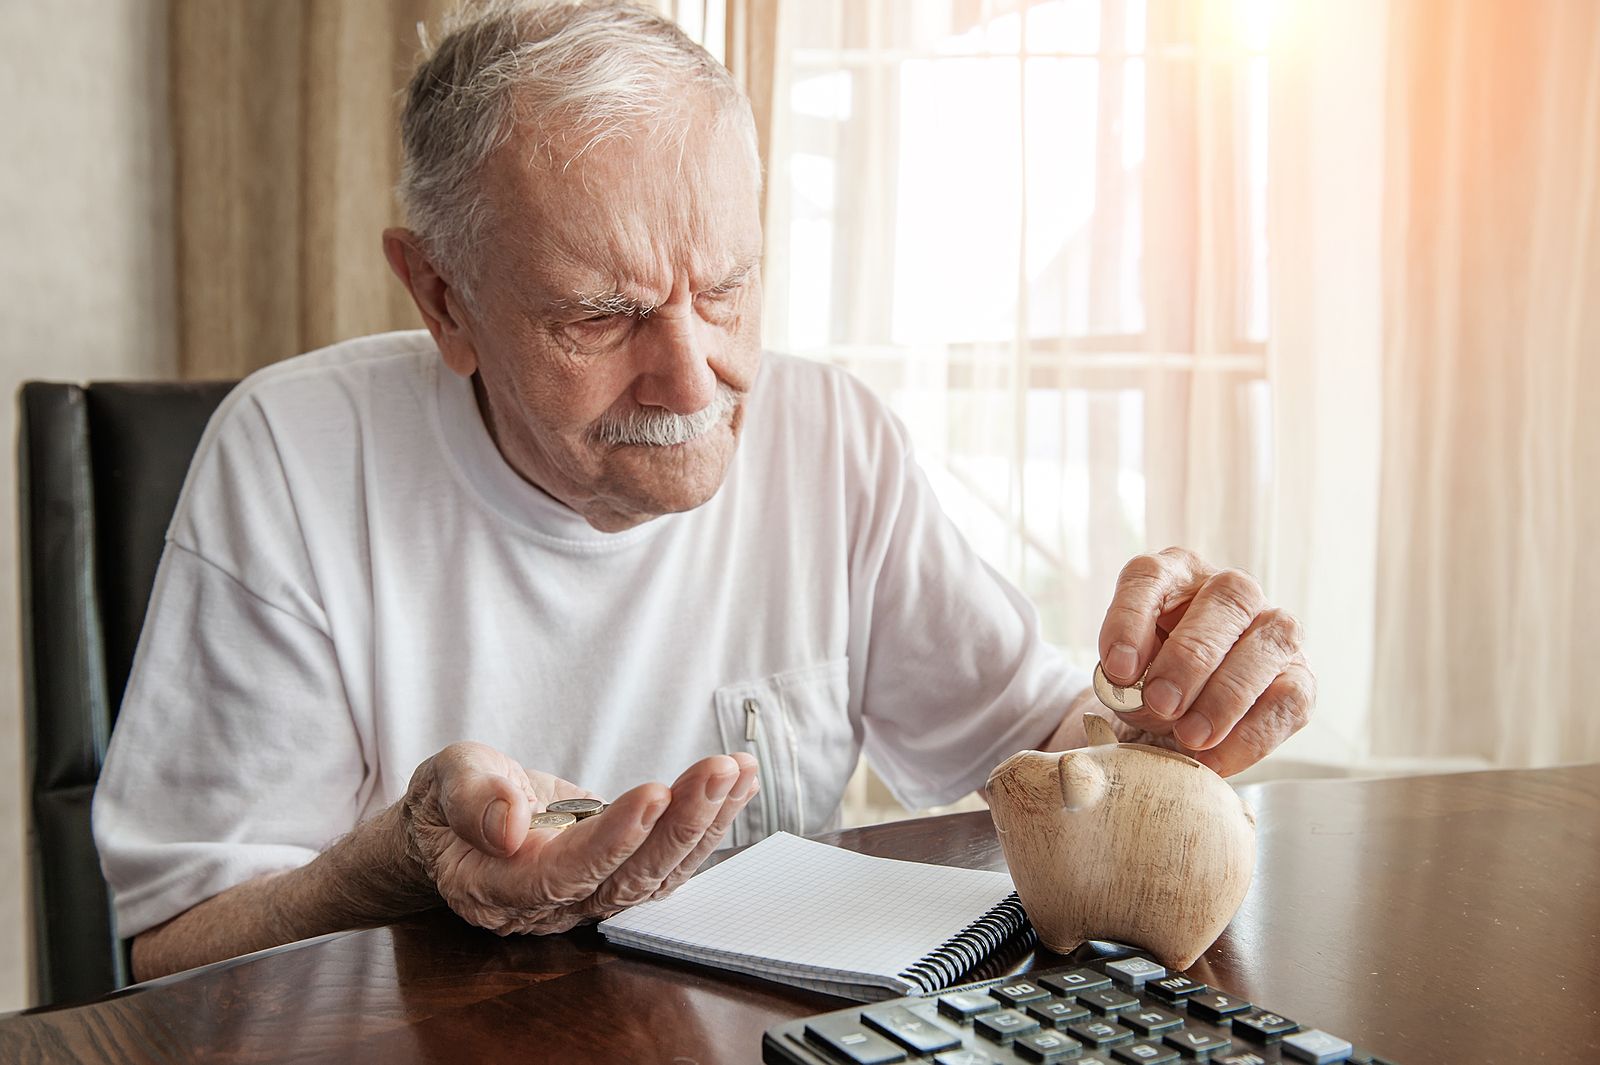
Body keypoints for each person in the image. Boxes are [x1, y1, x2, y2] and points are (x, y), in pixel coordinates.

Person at [93, 0, 1313, 982]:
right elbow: (173, 949)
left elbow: (1047, 749)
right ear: (442, 299)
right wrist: (403, 867)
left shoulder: (832, 434)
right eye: (601, 313)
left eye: (725, 290)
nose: (695, 379)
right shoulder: (295, 459)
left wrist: (1162, 711)